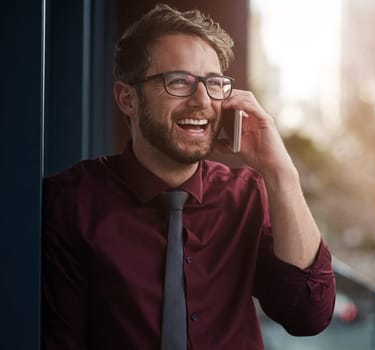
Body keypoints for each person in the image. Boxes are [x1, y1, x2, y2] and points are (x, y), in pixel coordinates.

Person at [42, 4, 336, 349]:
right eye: (178, 81)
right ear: (127, 98)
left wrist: (280, 171)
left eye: (214, 84)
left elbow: (308, 315)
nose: (201, 101)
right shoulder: (70, 202)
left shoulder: (247, 196)